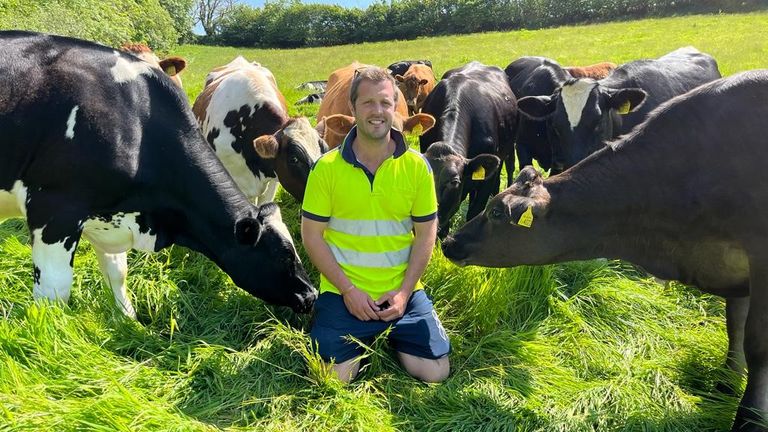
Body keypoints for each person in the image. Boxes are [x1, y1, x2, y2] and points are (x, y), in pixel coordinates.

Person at [301, 66, 450, 383]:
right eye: (368, 103)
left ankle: (388, 332)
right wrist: (349, 290)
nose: (378, 112)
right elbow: (311, 235)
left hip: (401, 292)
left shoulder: (416, 167)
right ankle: (367, 336)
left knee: (436, 372)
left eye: (385, 103)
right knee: (329, 379)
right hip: (344, 292)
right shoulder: (325, 169)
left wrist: (404, 292)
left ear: (396, 106)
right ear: (352, 109)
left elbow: (426, 234)